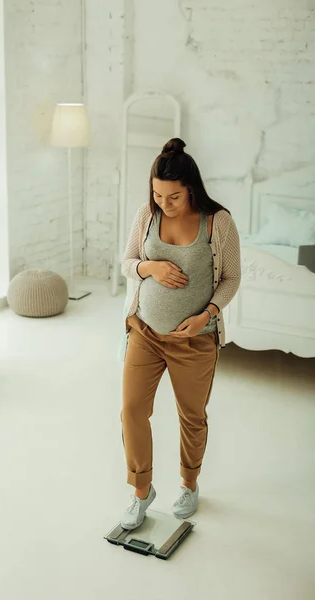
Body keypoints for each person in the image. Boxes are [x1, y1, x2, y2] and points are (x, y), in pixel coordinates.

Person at [120, 138, 241, 530]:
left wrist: (207, 312)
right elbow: (127, 263)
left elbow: (231, 278)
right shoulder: (147, 215)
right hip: (145, 331)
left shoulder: (217, 222)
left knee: (191, 416)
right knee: (132, 411)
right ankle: (141, 491)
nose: (164, 204)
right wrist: (150, 268)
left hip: (195, 339)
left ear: (191, 187)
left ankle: (189, 484)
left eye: (172, 197)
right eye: (157, 194)